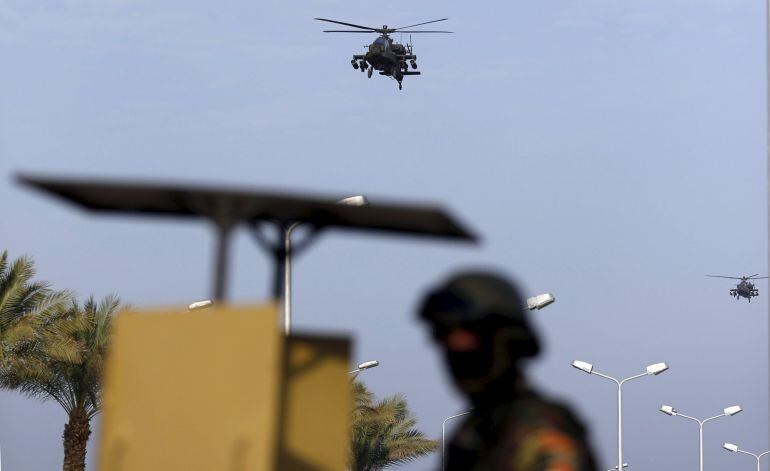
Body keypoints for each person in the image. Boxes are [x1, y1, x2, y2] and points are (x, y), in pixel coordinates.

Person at [418, 270, 598, 471]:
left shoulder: (540, 430)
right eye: (444, 337)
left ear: (509, 340)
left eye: (468, 337)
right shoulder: (472, 433)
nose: (456, 349)